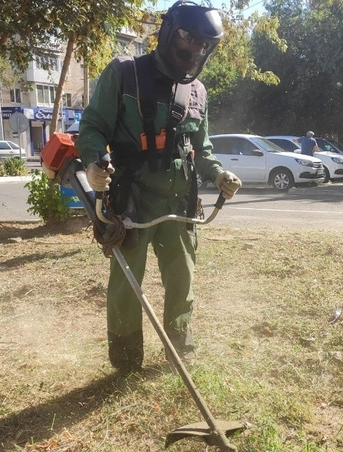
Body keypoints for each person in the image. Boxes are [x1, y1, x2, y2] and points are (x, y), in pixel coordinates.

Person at [74, 0, 242, 372]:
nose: (195, 51)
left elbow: (203, 148)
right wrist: (91, 164)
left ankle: (178, 352)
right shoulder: (124, 73)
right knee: (127, 284)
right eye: (190, 41)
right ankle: (127, 357)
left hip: (180, 203)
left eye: (203, 46)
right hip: (131, 200)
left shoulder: (197, 92)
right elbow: (93, 127)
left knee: (183, 278)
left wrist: (218, 175)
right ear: (170, 35)